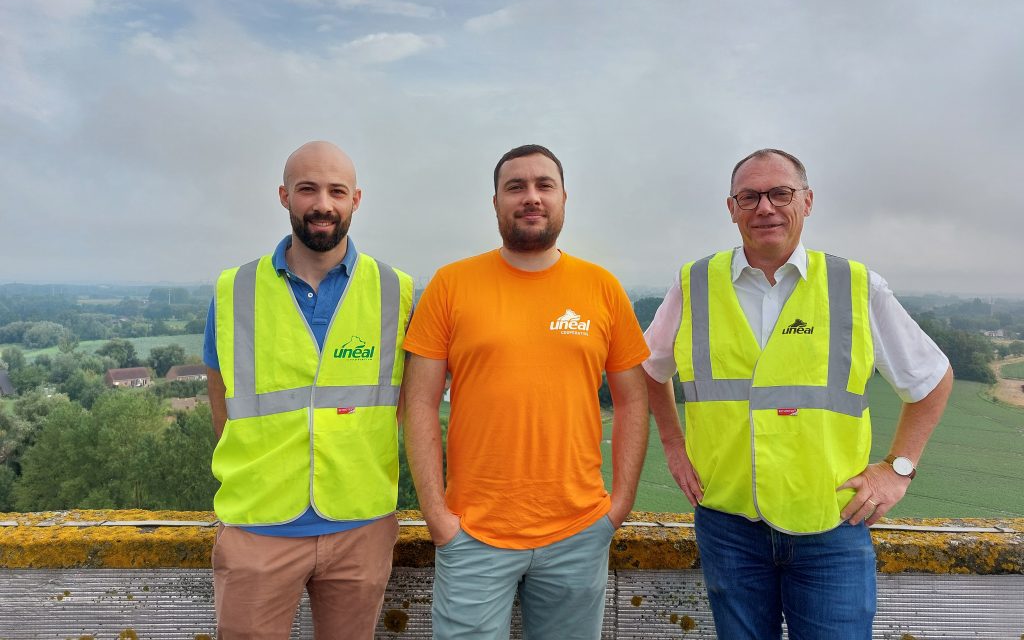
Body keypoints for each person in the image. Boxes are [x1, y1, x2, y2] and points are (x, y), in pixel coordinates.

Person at [643, 148, 953, 639]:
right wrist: (673, 444)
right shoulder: (694, 283)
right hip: (728, 523)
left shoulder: (854, 285)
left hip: (831, 524)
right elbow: (647, 368)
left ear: (806, 202)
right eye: (749, 197)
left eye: (780, 193)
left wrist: (898, 469)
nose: (764, 207)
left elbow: (932, 378)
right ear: (732, 208)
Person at [402, 144, 650, 640]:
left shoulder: (602, 287)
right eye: (516, 186)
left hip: (579, 533)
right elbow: (419, 403)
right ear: (494, 202)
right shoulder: (450, 285)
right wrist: (437, 515)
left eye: (544, 185)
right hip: (472, 534)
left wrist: (618, 505)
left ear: (563, 198)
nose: (531, 197)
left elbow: (633, 399)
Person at [203, 141, 414, 640]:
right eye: (307, 189)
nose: (323, 203)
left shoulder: (397, 290)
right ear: (284, 196)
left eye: (337, 190)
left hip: (361, 525)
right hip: (258, 527)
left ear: (356, 200)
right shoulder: (234, 290)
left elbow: (405, 404)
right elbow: (222, 407)